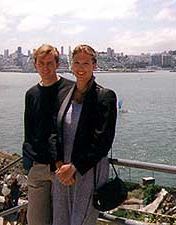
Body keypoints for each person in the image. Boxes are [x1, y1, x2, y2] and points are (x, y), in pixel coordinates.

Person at [52, 44, 117, 225]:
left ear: (94, 65)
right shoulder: (63, 95)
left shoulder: (105, 96)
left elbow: (103, 140)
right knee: (60, 220)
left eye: (86, 63)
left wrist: (74, 167)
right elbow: (54, 132)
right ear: (71, 65)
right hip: (62, 171)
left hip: (87, 171)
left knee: (81, 221)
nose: (81, 68)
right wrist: (59, 165)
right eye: (77, 63)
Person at [22, 44, 74, 225]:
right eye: (41, 63)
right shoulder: (31, 94)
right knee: (35, 220)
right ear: (35, 65)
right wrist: (28, 163)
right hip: (37, 167)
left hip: (62, 167)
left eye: (50, 63)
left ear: (57, 64)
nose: (45, 67)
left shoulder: (71, 89)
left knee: (62, 220)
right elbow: (29, 130)